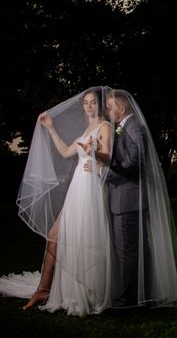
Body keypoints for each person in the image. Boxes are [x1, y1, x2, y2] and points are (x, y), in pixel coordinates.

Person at [0, 87, 113, 316]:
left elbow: (108, 155)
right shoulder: (86, 130)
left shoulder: (105, 127)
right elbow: (64, 152)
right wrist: (51, 128)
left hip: (91, 187)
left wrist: (94, 153)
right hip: (77, 188)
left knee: (83, 239)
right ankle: (43, 289)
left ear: (100, 105)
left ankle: (85, 290)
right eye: (85, 102)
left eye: (92, 102)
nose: (88, 106)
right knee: (55, 236)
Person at [87, 88, 177, 309]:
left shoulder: (133, 129)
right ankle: (141, 294)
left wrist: (102, 169)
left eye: (110, 109)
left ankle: (127, 301)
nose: (108, 113)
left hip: (128, 200)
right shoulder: (127, 127)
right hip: (128, 199)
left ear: (121, 109)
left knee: (128, 253)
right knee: (137, 251)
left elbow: (135, 165)